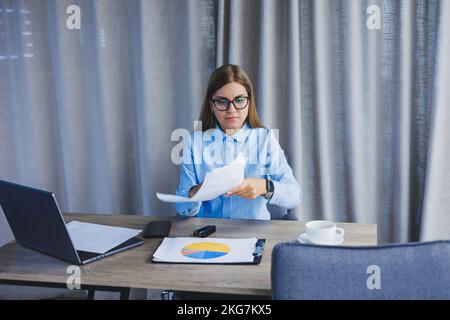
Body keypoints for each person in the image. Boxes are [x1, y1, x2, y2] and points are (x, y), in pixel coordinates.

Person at [175, 64, 301, 220]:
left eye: (240, 100)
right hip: (209, 235)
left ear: (249, 102)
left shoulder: (265, 139)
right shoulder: (194, 142)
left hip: (253, 233)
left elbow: (295, 195)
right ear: (211, 105)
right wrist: (199, 191)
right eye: (222, 101)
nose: (231, 109)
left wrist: (265, 187)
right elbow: (181, 207)